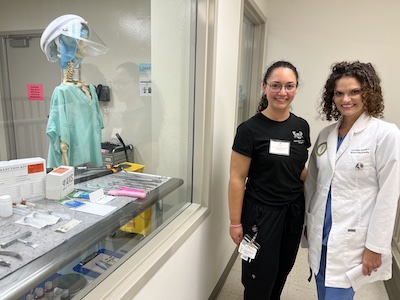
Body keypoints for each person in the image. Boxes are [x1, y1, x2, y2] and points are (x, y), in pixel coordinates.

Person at [304, 61, 400, 299]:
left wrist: (376, 246)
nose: (346, 99)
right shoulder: (325, 135)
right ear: (332, 97)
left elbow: (389, 195)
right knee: (322, 289)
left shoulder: (385, 134)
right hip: (321, 231)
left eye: (354, 91)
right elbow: (313, 184)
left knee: (338, 293)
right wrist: (308, 222)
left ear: (368, 92)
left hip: (354, 238)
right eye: (339, 93)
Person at [228, 60, 311, 299]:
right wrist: (235, 223)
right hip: (261, 213)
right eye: (275, 85)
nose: (282, 92)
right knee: (259, 274)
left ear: (296, 88)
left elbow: (298, 169)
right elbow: (237, 177)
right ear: (265, 87)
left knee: (283, 268)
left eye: (289, 86)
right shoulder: (250, 130)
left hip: (293, 210)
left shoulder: (301, 127)